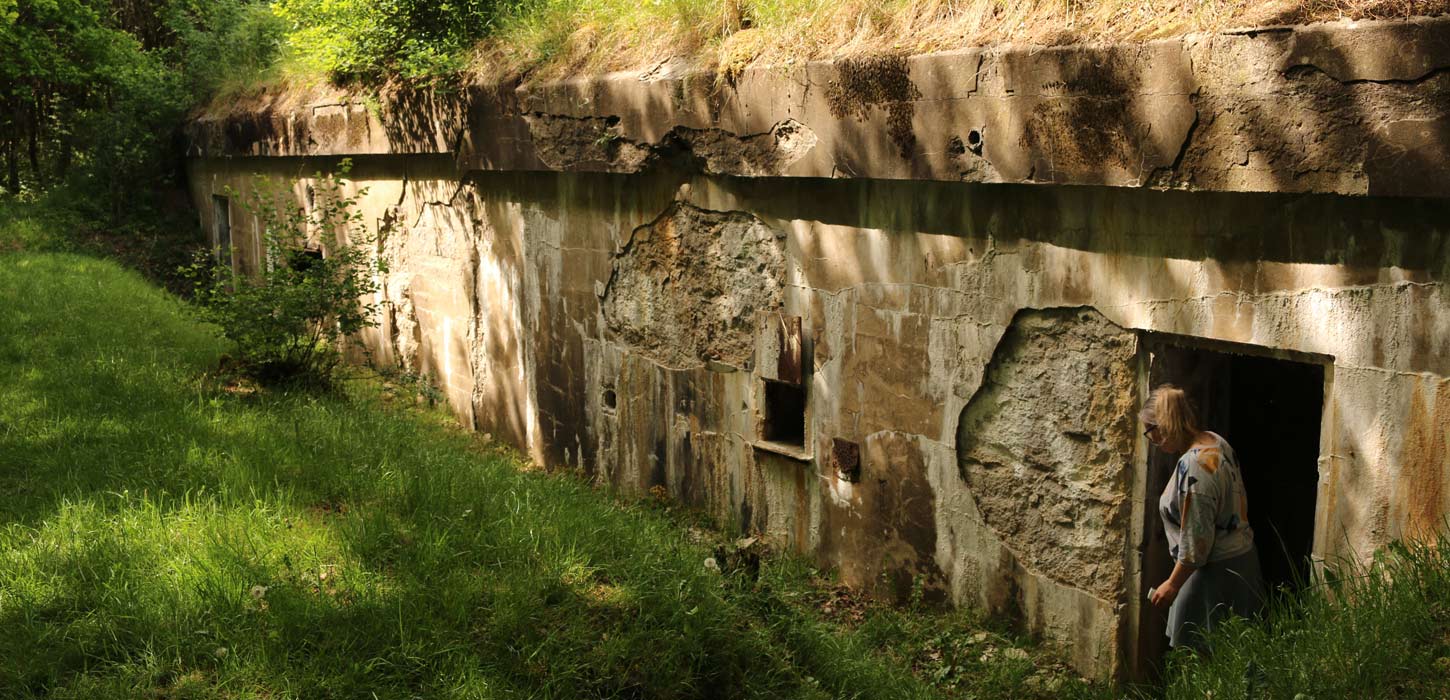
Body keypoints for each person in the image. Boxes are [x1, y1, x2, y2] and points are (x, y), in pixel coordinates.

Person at [1141, 384, 1266, 653]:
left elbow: (1197, 545)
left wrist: (1172, 585)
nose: (1150, 440)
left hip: (1213, 572)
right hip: (1241, 560)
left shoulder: (1194, 467)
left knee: (1201, 656)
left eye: (1149, 432)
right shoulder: (1214, 439)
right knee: (1235, 652)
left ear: (1163, 427)